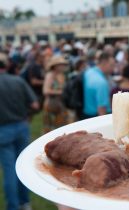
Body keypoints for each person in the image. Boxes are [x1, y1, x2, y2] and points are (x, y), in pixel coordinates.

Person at [0, 53, 39, 210]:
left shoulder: (18, 80)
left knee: (10, 169)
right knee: (22, 166)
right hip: (21, 126)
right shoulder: (18, 81)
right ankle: (25, 203)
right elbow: (35, 105)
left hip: (3, 130)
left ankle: (14, 206)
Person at [82, 52, 115, 119]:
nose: (113, 69)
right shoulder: (101, 83)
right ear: (104, 63)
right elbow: (101, 109)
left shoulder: (89, 71)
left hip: (87, 113)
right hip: (95, 116)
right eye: (112, 65)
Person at [42, 56, 68, 133]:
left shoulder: (61, 75)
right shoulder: (50, 75)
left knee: (60, 127)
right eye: (61, 64)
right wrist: (61, 92)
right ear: (55, 66)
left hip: (59, 105)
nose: (63, 66)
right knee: (51, 130)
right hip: (51, 105)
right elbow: (45, 90)